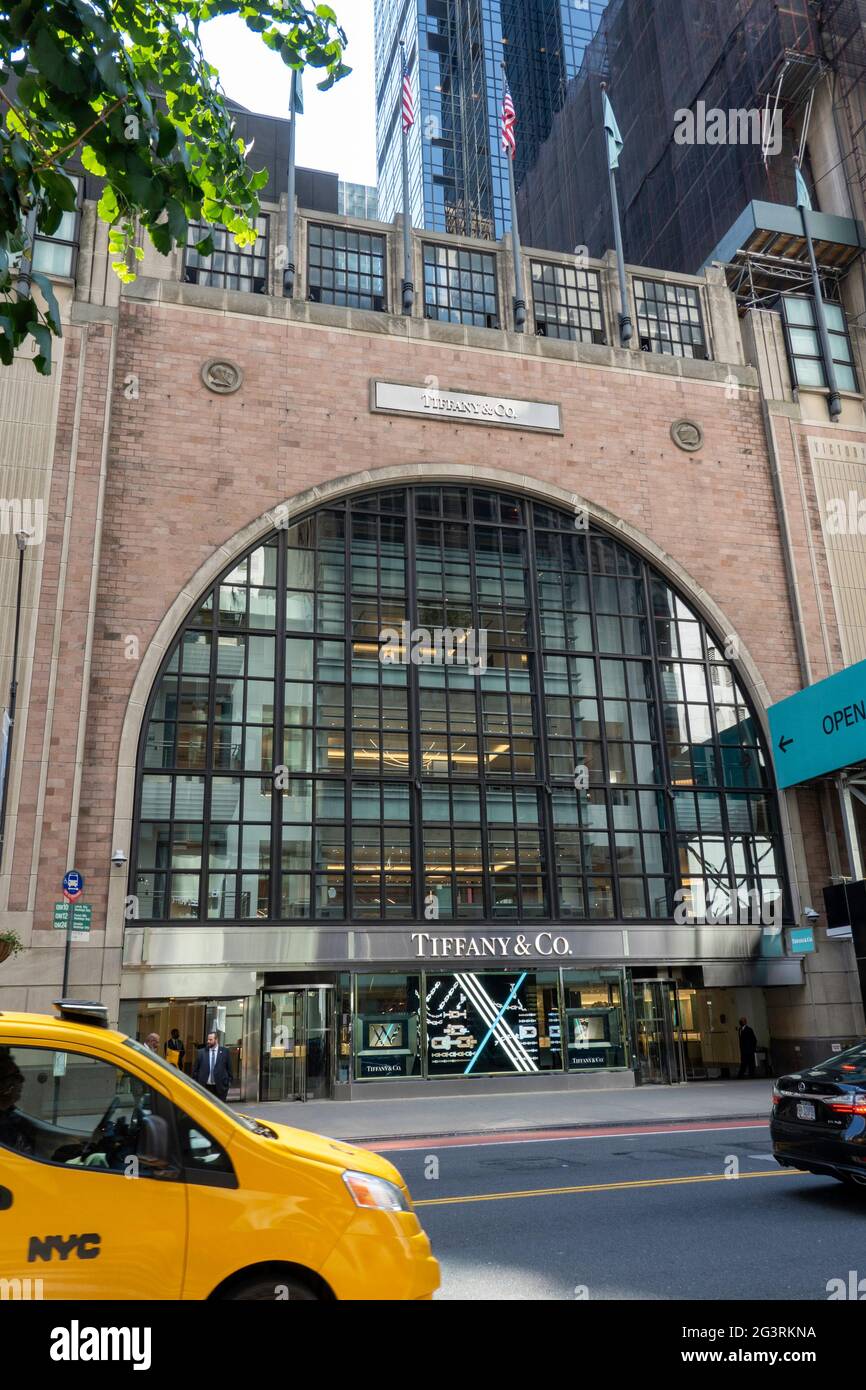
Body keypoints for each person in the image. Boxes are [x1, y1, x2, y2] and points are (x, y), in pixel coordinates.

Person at [0, 1048, 36, 1155]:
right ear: (6, 1087)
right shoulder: (4, 1129)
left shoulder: (10, 1114)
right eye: (17, 1076)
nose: (22, 1079)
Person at [192, 1031, 232, 1101]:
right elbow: (195, 1070)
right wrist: (197, 1084)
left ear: (216, 1040)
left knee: (219, 1109)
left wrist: (227, 1084)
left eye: (210, 1040)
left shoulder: (225, 1052)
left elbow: (229, 1069)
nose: (208, 1041)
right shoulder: (201, 1052)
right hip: (205, 1087)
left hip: (220, 1088)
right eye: (208, 1039)